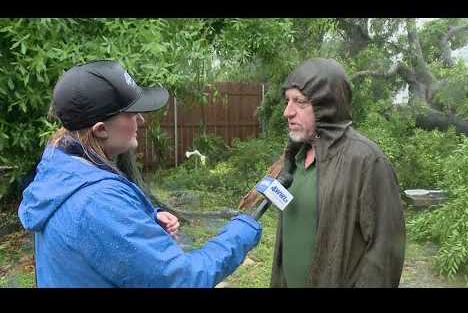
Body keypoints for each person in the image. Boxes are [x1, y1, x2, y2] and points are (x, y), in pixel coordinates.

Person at [18, 60, 262, 287]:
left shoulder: (61, 165)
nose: (141, 119)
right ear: (101, 130)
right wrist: (242, 230)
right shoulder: (98, 201)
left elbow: (90, 234)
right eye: (131, 113)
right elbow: (183, 279)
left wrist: (145, 219)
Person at [270, 58, 405, 288]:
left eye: (300, 102)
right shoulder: (296, 156)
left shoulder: (365, 160)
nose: (287, 112)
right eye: (287, 101)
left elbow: (386, 252)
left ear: (327, 106)